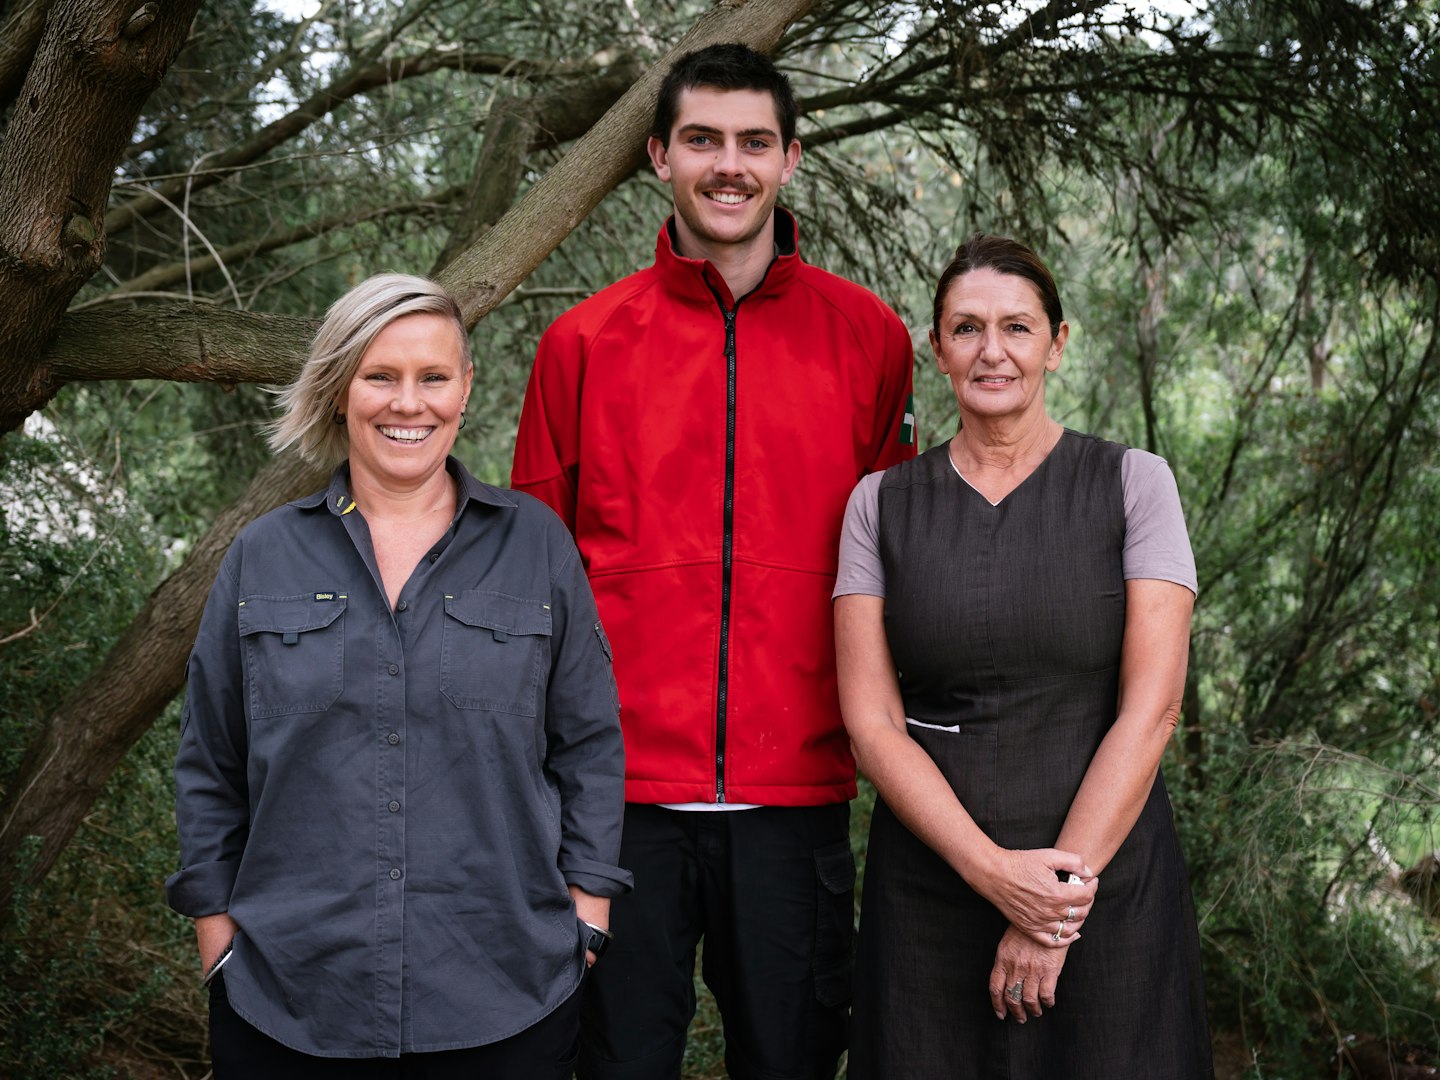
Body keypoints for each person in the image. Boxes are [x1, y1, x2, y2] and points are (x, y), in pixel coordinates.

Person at [511, 43, 916, 1080]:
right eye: (702, 140)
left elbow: (895, 571)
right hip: (617, 807)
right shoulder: (584, 345)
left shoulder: (868, 339)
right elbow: (531, 592)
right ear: (658, 156)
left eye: (752, 142)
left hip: (796, 803)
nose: (726, 165)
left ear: (789, 158)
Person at [166, 273, 631, 1078]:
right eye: (380, 375)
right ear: (339, 385)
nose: (407, 404)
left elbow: (587, 744)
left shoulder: (536, 548)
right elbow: (210, 760)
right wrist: (215, 929)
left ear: (466, 388)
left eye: (433, 377)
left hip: (504, 994)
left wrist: (587, 915)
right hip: (291, 999)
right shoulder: (263, 556)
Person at [834, 234, 1213, 1077]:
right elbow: (870, 722)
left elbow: (1151, 710)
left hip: (1104, 891)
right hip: (931, 894)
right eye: (966, 328)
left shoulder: (1134, 485)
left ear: (1058, 343)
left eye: (1017, 326)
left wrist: (1052, 908)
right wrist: (995, 874)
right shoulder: (881, 504)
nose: (992, 350)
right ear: (936, 349)